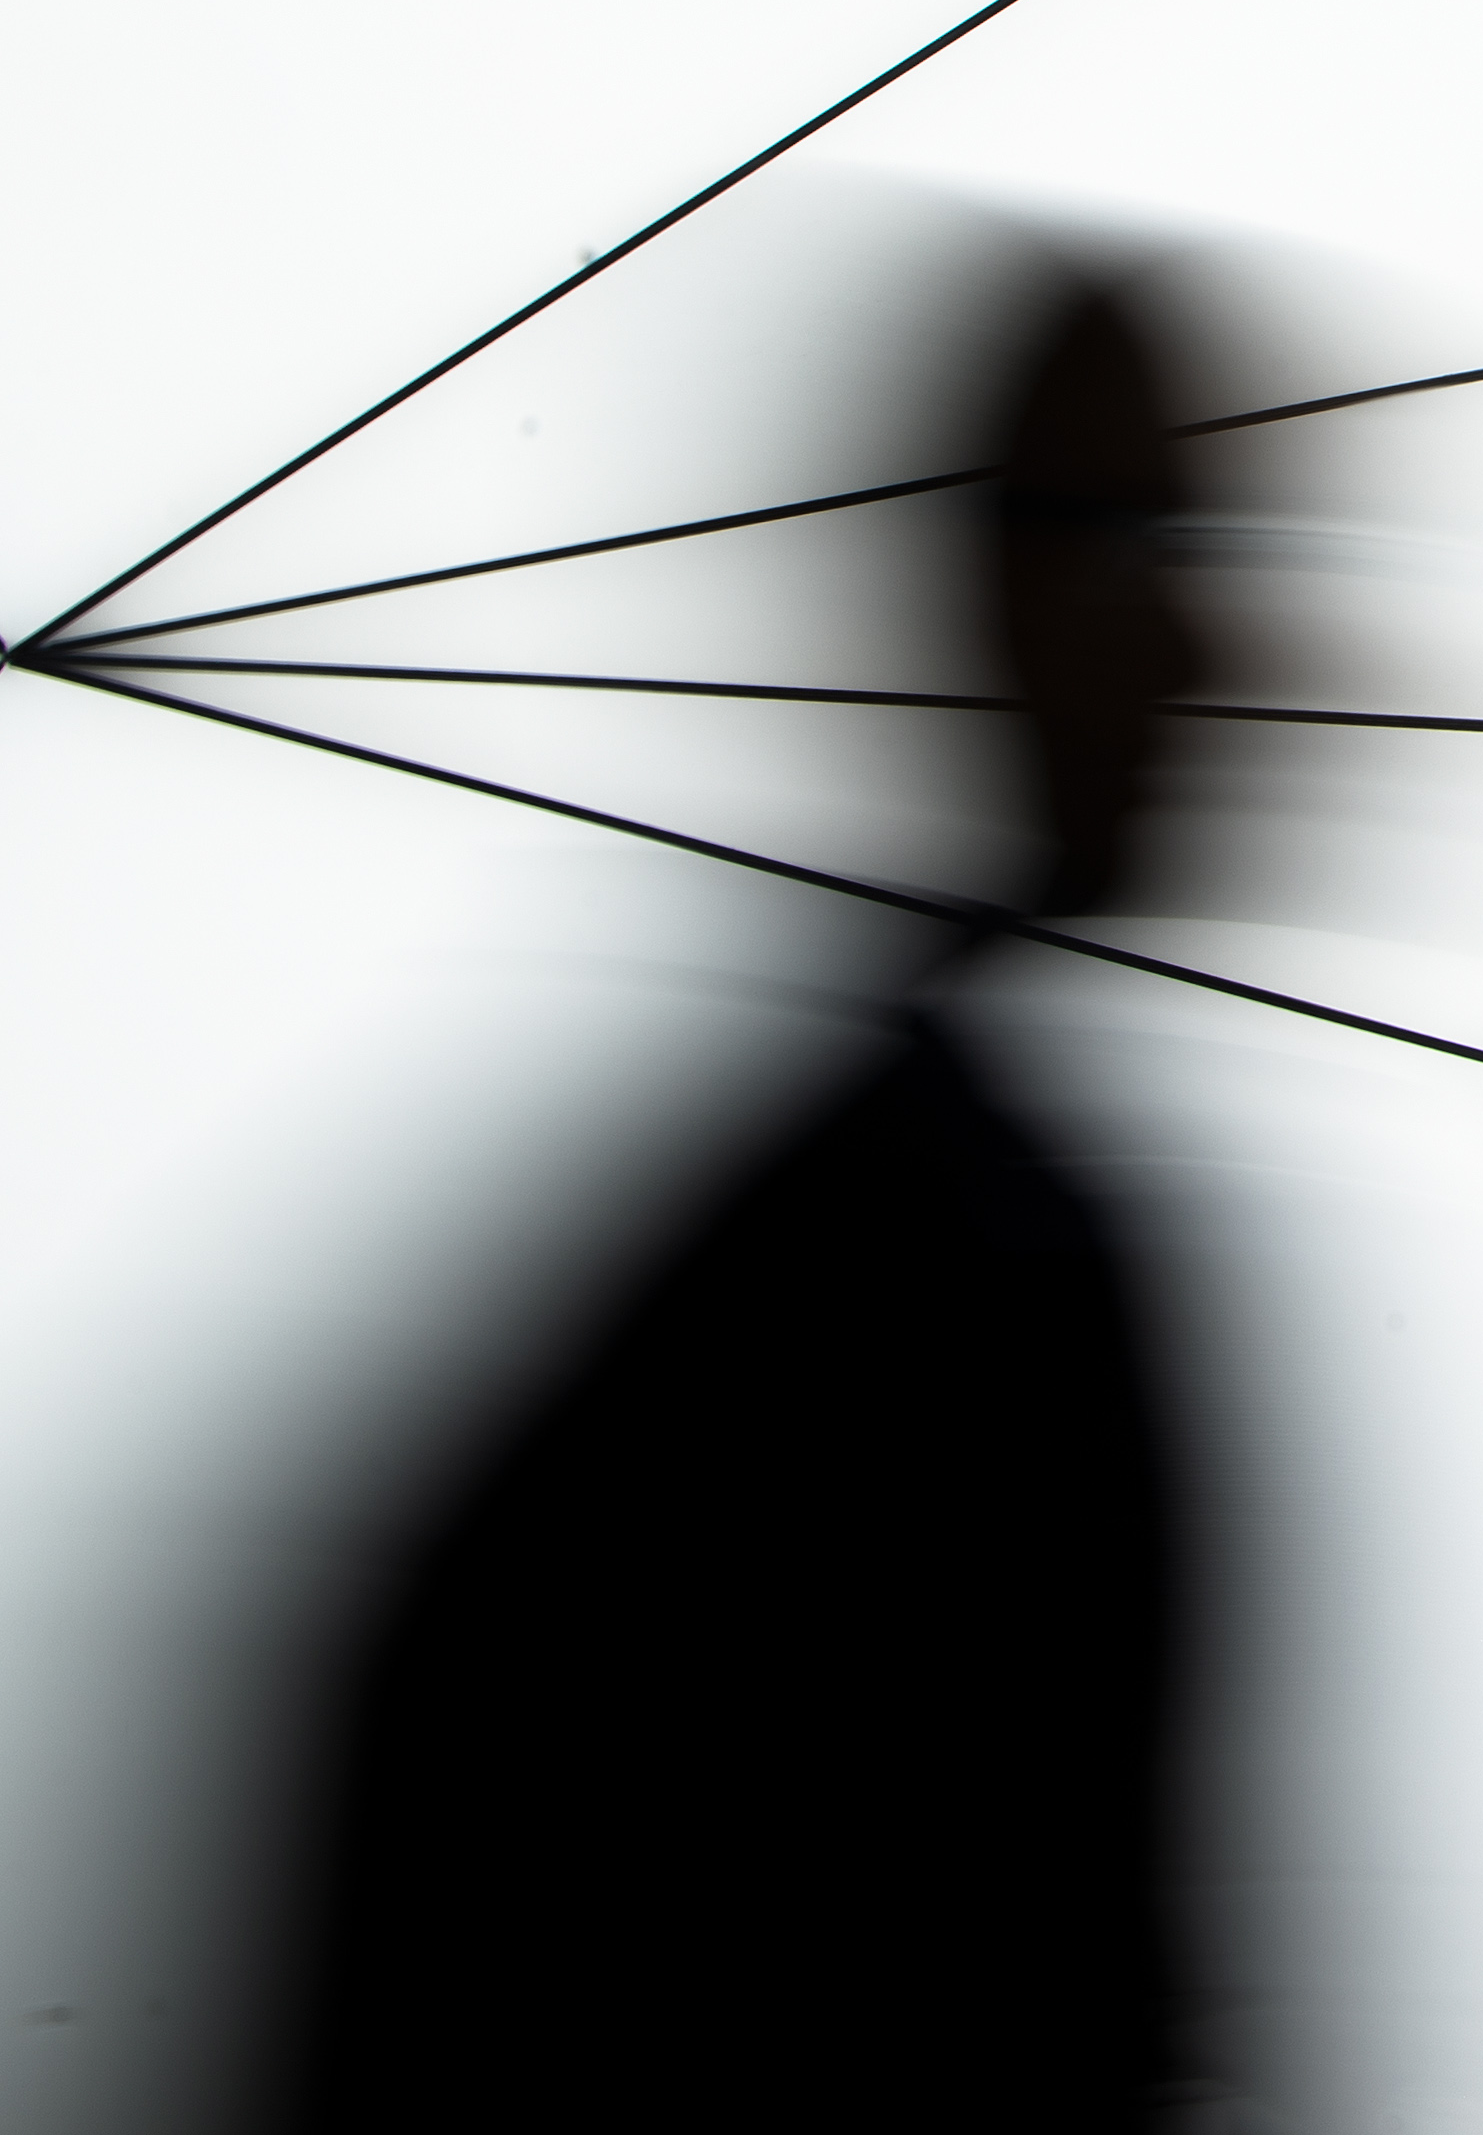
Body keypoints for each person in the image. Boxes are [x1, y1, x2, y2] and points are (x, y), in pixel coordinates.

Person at [266, 267, 1211, 2134]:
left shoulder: (898, 1214)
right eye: (1121, 538)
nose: (1196, 636)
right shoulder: (901, 1262)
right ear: (952, 598)